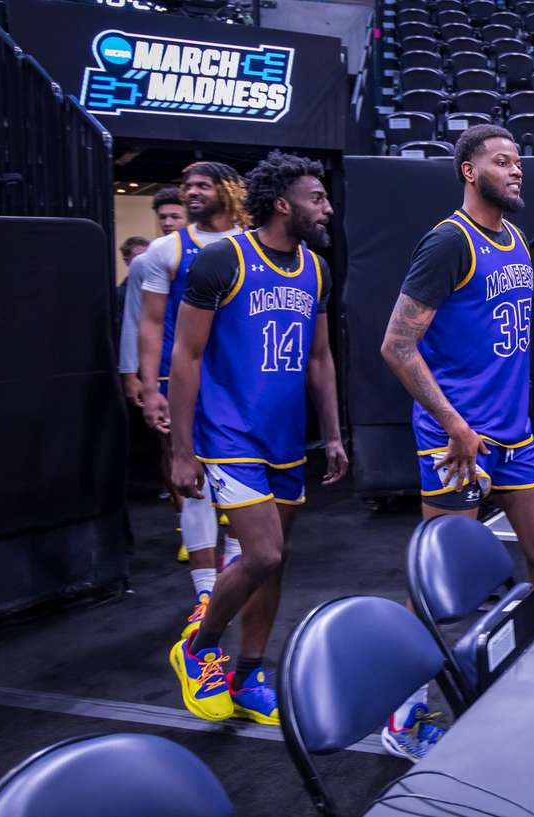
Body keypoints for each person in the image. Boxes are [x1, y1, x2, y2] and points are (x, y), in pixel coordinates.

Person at [379, 124, 534, 759]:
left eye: (520, 161)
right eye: (502, 161)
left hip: (511, 436)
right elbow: (397, 345)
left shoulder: (515, 238)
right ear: (469, 170)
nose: (517, 170)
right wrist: (456, 424)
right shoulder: (447, 241)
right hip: (456, 441)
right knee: (439, 583)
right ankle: (402, 714)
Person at [167, 150, 347, 724]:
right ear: (281, 204)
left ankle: (247, 676)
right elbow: (187, 355)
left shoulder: (316, 268)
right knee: (262, 552)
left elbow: (321, 360)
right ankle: (197, 648)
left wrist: (336, 435)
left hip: (286, 439)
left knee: (275, 560)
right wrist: (181, 449)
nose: (327, 208)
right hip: (228, 434)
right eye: (316, 199)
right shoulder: (223, 260)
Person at [137, 164, 245, 629]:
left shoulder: (251, 241)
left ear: (228, 190)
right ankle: (205, 594)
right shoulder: (165, 250)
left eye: (202, 185)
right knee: (195, 483)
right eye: (187, 186)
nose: (192, 193)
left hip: (241, 381)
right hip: (188, 380)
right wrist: (148, 386)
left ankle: (234, 574)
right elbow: (151, 323)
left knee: (246, 483)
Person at [119, 189, 186, 408]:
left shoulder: (215, 255)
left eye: (175, 217)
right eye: (162, 217)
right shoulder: (144, 262)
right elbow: (133, 319)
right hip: (163, 361)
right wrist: (129, 373)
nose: (167, 222)